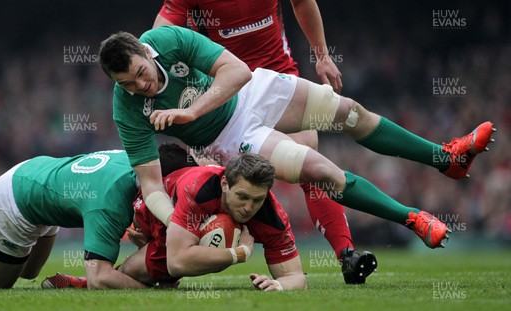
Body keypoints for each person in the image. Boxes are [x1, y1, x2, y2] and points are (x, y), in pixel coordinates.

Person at [99, 26, 495, 252]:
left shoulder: (167, 41)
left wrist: (191, 111)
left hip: (249, 93)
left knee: (349, 113)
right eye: (127, 82)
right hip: (230, 139)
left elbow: (237, 73)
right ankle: (413, 219)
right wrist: (174, 223)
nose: (141, 84)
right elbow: (150, 182)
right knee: (322, 171)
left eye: (139, 71)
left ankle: (445, 158)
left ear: (145, 51)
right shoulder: (128, 108)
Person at [152, 0, 374, 284]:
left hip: (277, 79)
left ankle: (347, 255)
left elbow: (302, 2)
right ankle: (167, 260)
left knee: (313, 168)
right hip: (225, 96)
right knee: (212, 186)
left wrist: (322, 55)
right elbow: (157, 42)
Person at [43, 153, 307, 291]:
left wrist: (280, 285)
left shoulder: (272, 216)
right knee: (132, 278)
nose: (249, 207)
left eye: (258, 200)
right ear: (225, 183)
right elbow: (178, 262)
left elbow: (297, 277)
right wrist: (240, 253)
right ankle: (85, 283)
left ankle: (85, 282)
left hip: (181, 225)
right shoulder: (198, 188)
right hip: (154, 213)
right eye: (242, 197)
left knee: (222, 230)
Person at [0, 150, 148, 289]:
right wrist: (146, 289)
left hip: (41, 181)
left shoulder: (137, 160)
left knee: (29, 271)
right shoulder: (108, 202)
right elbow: (100, 277)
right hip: (16, 200)